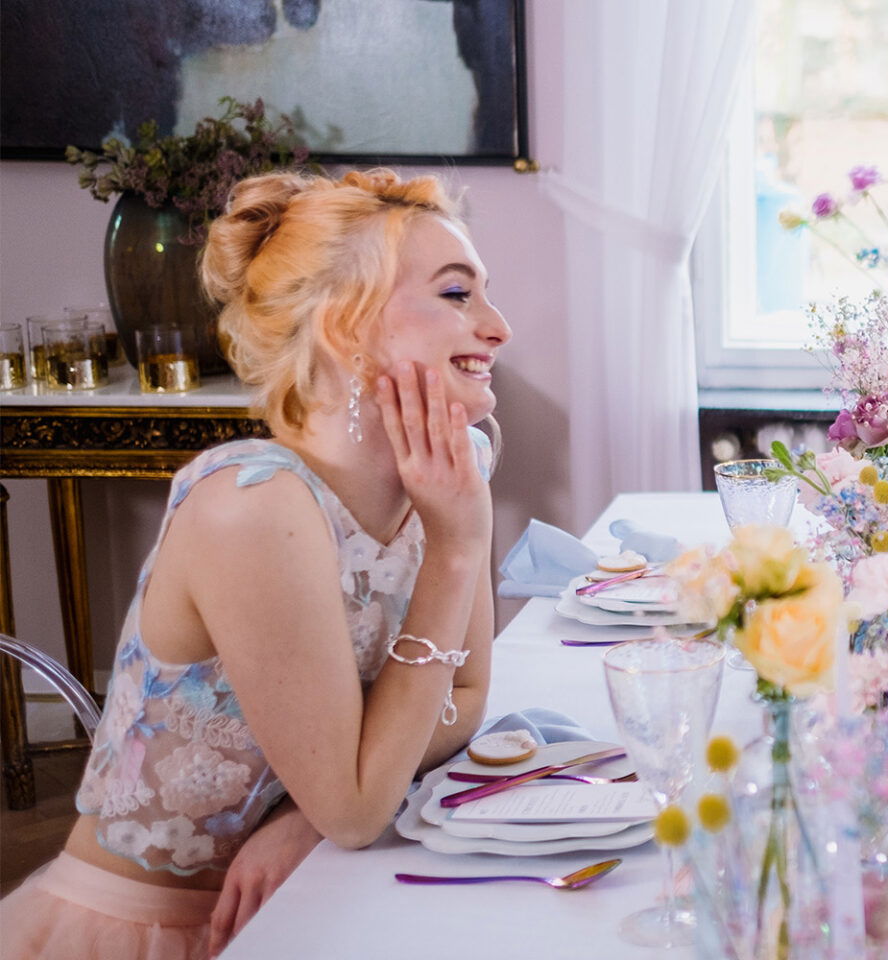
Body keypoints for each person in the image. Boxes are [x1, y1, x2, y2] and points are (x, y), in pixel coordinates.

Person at [0, 169, 511, 959]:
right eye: (456, 294)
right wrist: (456, 548)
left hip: (308, 894)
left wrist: (302, 815)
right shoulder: (252, 506)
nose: (498, 326)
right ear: (346, 328)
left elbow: (468, 695)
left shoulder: (455, 465)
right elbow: (357, 809)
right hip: (154, 931)